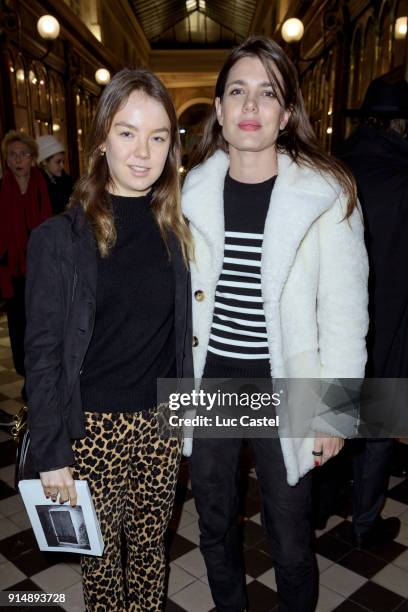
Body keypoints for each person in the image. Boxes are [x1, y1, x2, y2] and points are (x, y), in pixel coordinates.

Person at [181, 36, 369, 612]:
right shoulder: (191, 192)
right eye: (237, 91)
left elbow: (345, 313)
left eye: (267, 93)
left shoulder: (326, 195)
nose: (250, 106)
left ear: (286, 113)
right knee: (213, 524)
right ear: (218, 108)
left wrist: (335, 412)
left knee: (289, 538)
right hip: (211, 382)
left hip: (283, 385)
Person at [25, 68, 193, 611]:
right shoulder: (60, 239)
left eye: (158, 136)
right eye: (127, 132)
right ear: (101, 140)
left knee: (149, 554)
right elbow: (44, 355)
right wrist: (52, 453)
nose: (143, 151)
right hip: (90, 429)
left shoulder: (178, 229)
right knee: (99, 564)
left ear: (171, 146)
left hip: (160, 425)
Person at [338, 78, 408, 549]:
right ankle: (364, 523)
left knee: (335, 418)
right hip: (391, 318)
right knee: (378, 428)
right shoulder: (404, 175)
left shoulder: (335, 165)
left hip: (339, 320)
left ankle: (326, 508)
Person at [0, 131, 52, 402]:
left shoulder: (45, 187)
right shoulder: (1, 189)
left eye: (23, 154)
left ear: (33, 159)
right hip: (13, 274)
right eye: (12, 154)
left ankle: (41, 378)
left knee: (42, 327)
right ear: (6, 160)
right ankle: (27, 376)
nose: (18, 159)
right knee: (19, 331)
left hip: (41, 272)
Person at [36, 135, 74, 215]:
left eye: (63, 162)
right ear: (44, 162)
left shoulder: (68, 180)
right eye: (58, 162)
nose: (62, 166)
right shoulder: (37, 185)